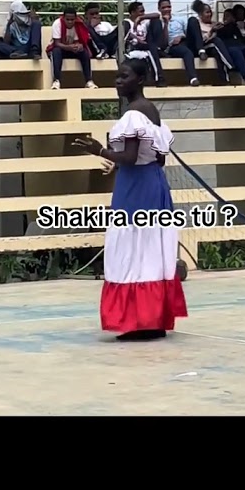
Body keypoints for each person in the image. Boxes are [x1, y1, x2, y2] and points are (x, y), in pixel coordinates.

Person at [71, 59, 188, 340]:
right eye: (117, 76)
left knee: (132, 247)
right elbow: (158, 158)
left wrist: (100, 151)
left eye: (124, 76)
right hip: (153, 184)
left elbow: (131, 157)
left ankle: (137, 320)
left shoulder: (133, 115)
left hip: (135, 188)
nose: (118, 81)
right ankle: (153, 319)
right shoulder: (152, 113)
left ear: (140, 79)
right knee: (151, 248)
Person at [184, 0, 234, 86]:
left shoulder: (213, 24)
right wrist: (211, 31)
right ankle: (231, 65)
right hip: (195, 48)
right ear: (200, 14)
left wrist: (222, 26)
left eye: (210, 12)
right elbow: (201, 39)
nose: (210, 14)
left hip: (207, 47)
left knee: (216, 49)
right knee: (215, 42)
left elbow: (212, 40)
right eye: (207, 12)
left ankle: (224, 79)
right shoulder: (196, 23)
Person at [47, 8, 97, 90]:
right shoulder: (57, 24)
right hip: (62, 49)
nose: (70, 22)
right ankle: (56, 80)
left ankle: (89, 80)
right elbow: (57, 43)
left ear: (75, 18)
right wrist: (69, 47)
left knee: (84, 52)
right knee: (56, 52)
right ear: (63, 18)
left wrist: (80, 46)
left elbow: (83, 41)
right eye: (67, 19)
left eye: (72, 19)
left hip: (74, 49)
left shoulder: (79, 24)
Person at [156, 0, 198, 87]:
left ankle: (201, 50)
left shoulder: (180, 19)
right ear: (159, 9)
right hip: (173, 46)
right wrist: (166, 23)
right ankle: (193, 78)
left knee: (193, 19)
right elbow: (163, 42)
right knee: (187, 52)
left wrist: (181, 36)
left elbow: (189, 33)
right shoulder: (157, 23)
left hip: (184, 40)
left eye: (169, 7)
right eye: (164, 8)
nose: (167, 9)